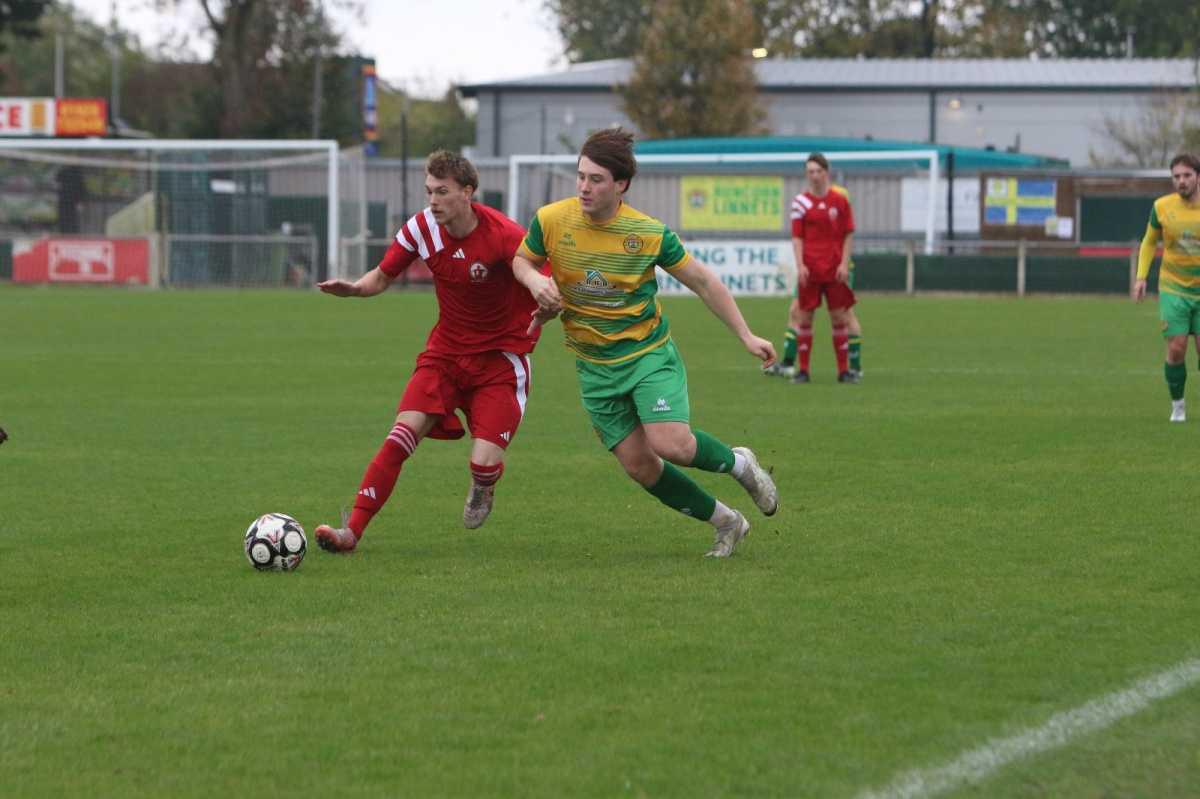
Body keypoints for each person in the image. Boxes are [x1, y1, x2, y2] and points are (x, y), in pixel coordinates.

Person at [511, 127, 780, 558]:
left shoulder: (648, 233)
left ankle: (740, 464)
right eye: (580, 176)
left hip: (646, 356)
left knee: (671, 444)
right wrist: (534, 282)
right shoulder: (551, 220)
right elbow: (522, 260)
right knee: (640, 466)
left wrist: (746, 335)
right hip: (593, 365)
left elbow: (703, 282)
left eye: (596, 179)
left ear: (621, 185)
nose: (584, 187)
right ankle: (727, 522)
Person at [312, 150, 546, 552]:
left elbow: (542, 277)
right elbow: (382, 276)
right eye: (429, 191)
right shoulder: (421, 228)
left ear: (467, 193)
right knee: (399, 437)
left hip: (499, 361)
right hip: (445, 358)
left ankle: (484, 484)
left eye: (442, 191)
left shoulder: (504, 233)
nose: (433, 201)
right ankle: (351, 532)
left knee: (483, 463)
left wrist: (547, 300)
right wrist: (355, 289)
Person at [763, 154, 858, 384]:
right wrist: (800, 265)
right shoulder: (800, 203)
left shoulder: (840, 201)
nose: (814, 176)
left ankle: (844, 371)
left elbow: (848, 234)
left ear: (826, 172)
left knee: (839, 319)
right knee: (804, 319)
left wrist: (844, 263)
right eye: (810, 172)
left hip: (834, 269)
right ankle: (803, 371)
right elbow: (797, 237)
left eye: (818, 171)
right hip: (811, 270)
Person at [1133, 152, 1200, 423]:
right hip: (1174, 287)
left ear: (1198, 177)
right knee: (1176, 347)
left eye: (1187, 175)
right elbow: (1149, 241)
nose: (1181, 181)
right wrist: (1141, 277)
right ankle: (1178, 406)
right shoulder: (1161, 207)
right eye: (1176, 176)